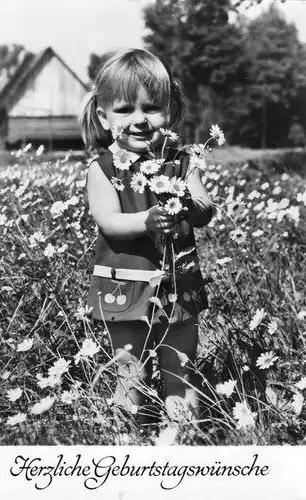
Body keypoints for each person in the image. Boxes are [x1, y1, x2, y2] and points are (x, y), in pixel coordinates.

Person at [79, 48, 213, 423]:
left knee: (181, 369)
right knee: (130, 372)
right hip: (127, 286)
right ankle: (126, 445)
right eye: (124, 110)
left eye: (152, 108)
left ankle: (181, 440)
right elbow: (108, 222)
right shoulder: (103, 169)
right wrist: (147, 220)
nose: (139, 120)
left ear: (169, 112)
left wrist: (190, 203)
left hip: (177, 283)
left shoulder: (184, 162)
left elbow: (205, 209)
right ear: (104, 117)